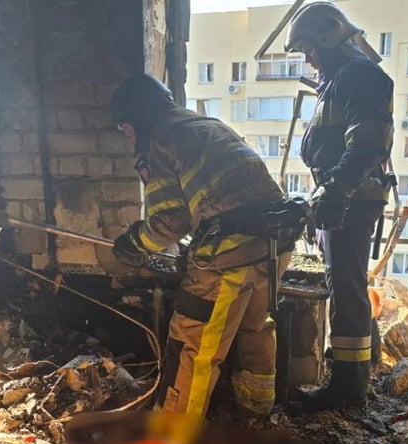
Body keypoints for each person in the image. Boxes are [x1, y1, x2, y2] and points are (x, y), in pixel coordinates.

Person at [109, 74, 301, 418]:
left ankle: (173, 438)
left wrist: (133, 244)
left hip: (230, 253)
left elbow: (171, 221)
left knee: (192, 346)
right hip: (275, 241)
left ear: (134, 120)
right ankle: (256, 410)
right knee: (257, 326)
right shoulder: (204, 125)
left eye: (124, 129)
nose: (126, 140)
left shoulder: (159, 140)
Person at [285, 2, 395, 410]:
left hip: (352, 200)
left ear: (328, 39)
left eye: (309, 49)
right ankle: (360, 369)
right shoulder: (340, 79)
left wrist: (336, 192)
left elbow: (368, 143)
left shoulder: (360, 76)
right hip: (344, 197)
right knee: (346, 283)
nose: (308, 59)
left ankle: (348, 387)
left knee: (345, 289)